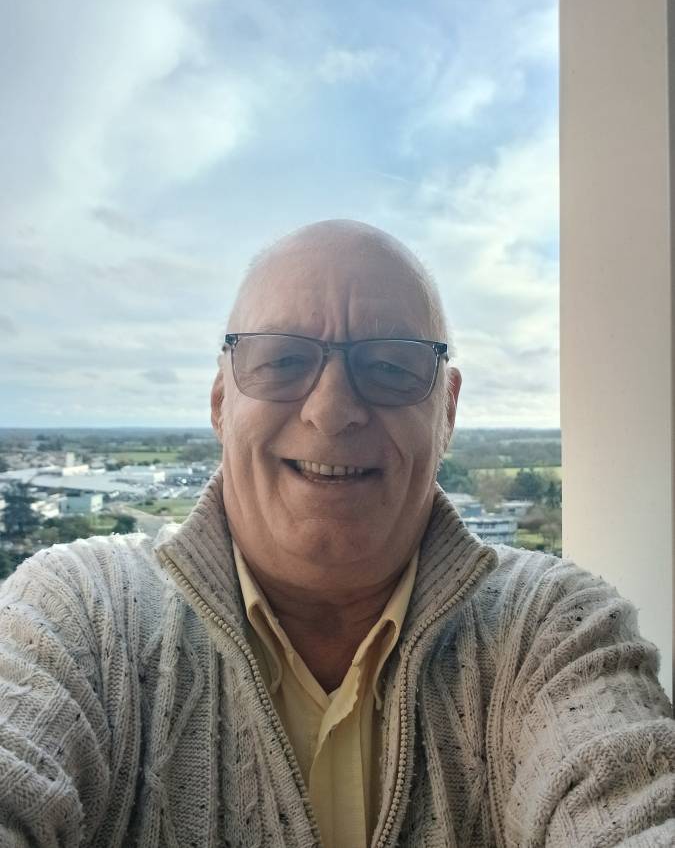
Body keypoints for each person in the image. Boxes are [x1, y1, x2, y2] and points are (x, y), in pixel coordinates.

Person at [0, 219, 674, 848]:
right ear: (220, 403)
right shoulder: (81, 612)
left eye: (389, 366)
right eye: (281, 362)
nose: (331, 411)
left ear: (446, 411)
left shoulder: (553, 627)